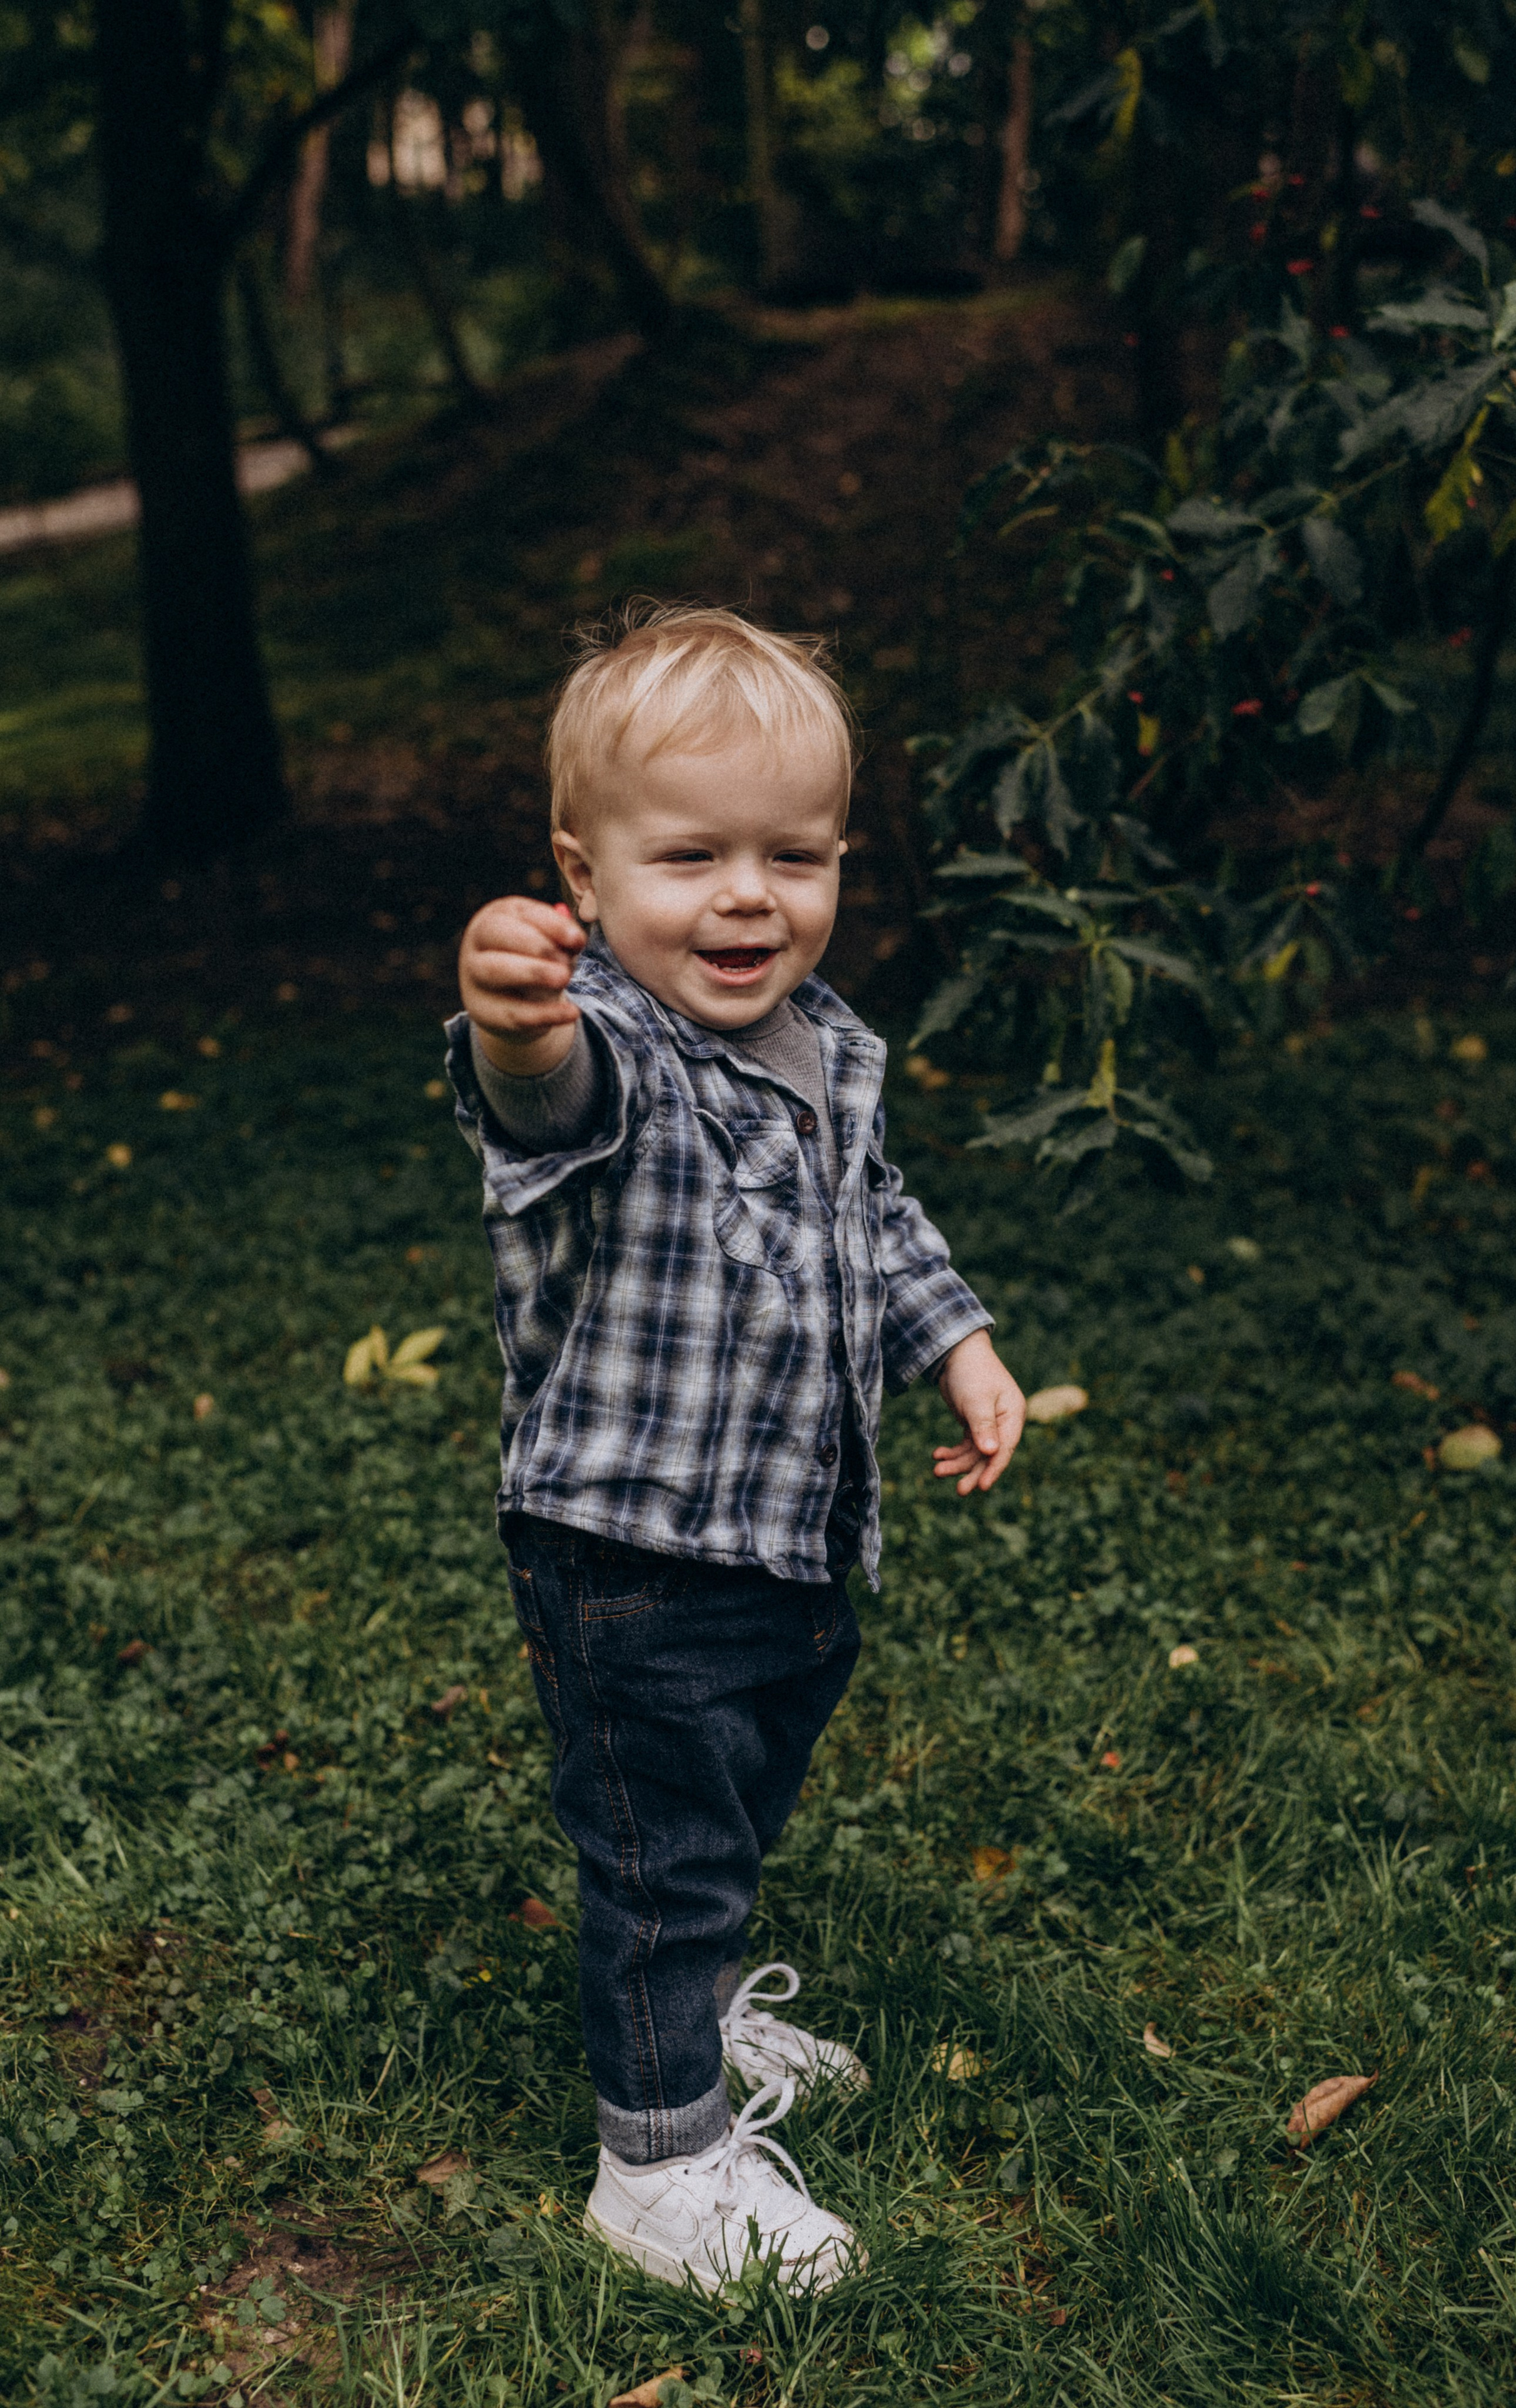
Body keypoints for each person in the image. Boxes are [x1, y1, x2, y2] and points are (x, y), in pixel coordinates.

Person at [449, 602, 1025, 2293]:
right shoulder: (607, 1041)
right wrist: (513, 1012)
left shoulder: (827, 1047)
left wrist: (962, 1344)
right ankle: (661, 2166)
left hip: (790, 1545)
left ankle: (692, 2019)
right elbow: (537, 1101)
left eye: (797, 854)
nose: (749, 897)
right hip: (630, 1557)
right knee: (664, 1848)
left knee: (735, 1808)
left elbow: (881, 1217)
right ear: (585, 873)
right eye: (690, 855)